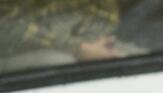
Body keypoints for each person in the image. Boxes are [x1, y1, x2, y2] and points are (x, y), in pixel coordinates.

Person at [0, 0, 140, 73]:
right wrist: (76, 47)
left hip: (87, 43)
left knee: (138, 58)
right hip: (16, 53)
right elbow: (7, 26)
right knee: (60, 64)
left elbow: (106, 17)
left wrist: (92, 45)